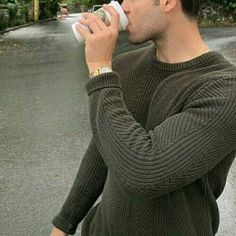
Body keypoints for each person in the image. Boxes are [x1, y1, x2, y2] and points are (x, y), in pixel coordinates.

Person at [50, 0, 236, 235]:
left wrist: (100, 69)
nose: (121, 6)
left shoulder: (224, 90)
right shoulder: (125, 65)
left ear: (168, 2)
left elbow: (145, 172)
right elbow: (103, 149)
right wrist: (64, 223)